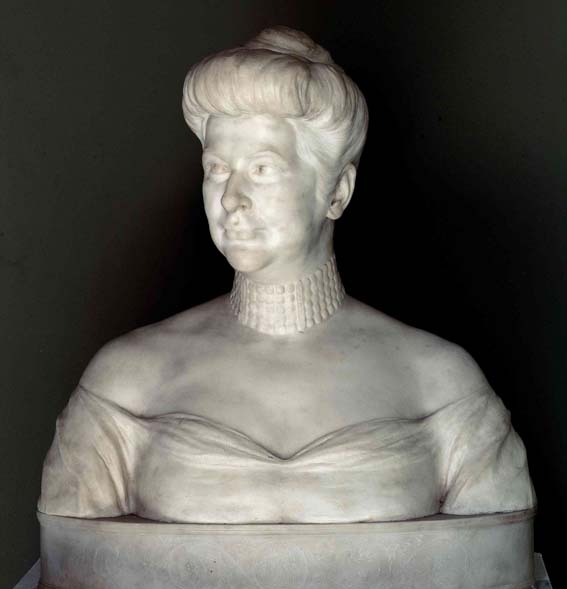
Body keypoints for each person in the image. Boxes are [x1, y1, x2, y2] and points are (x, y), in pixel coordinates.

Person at [38, 26, 535, 524]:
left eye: (262, 169)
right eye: (217, 169)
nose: (231, 198)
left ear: (337, 192)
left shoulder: (441, 385)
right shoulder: (125, 382)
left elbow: (496, 552)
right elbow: (71, 551)